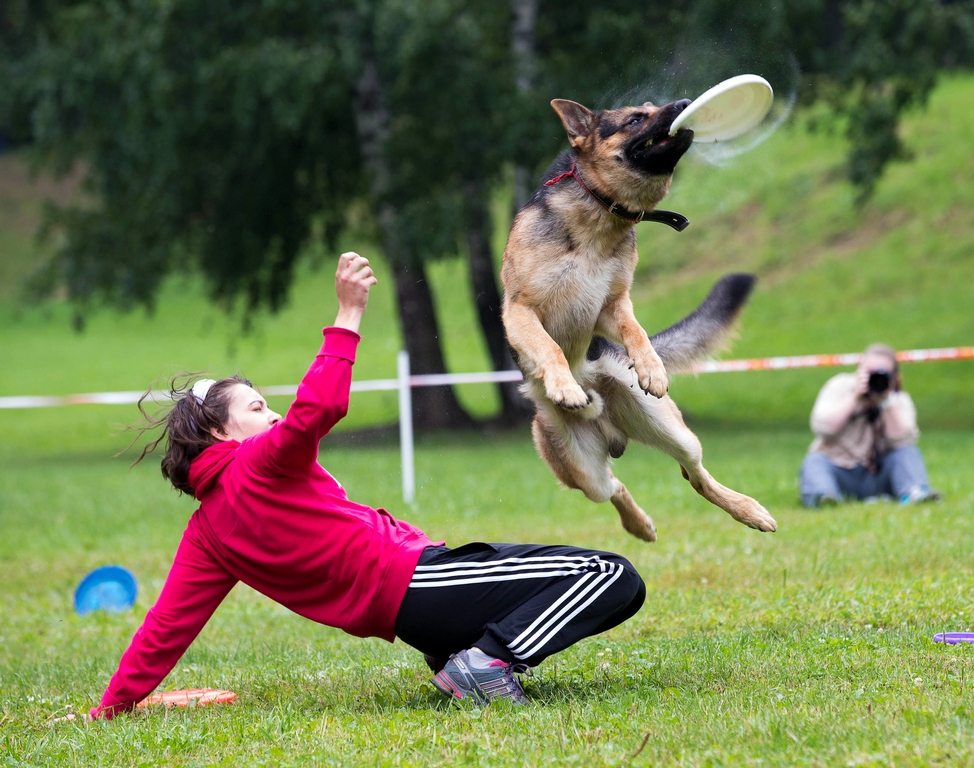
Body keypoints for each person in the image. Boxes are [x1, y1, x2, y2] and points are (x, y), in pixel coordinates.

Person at [87, 252, 645, 719]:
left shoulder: (208, 530)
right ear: (217, 430)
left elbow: (166, 627)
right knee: (610, 576)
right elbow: (318, 408)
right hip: (422, 583)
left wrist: (110, 708)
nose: (274, 417)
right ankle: (485, 661)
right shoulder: (257, 463)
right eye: (258, 408)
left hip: (412, 619)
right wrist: (348, 313)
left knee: (560, 582)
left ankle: (467, 655)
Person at [799, 343, 940, 508]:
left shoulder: (899, 400)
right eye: (869, 371)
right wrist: (855, 397)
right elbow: (824, 428)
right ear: (859, 370)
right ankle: (823, 496)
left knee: (907, 453)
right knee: (815, 461)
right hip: (839, 468)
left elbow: (904, 439)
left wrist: (886, 402)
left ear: (893, 377)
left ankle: (914, 492)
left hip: (879, 474)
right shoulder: (839, 386)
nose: (874, 377)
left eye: (881, 373)